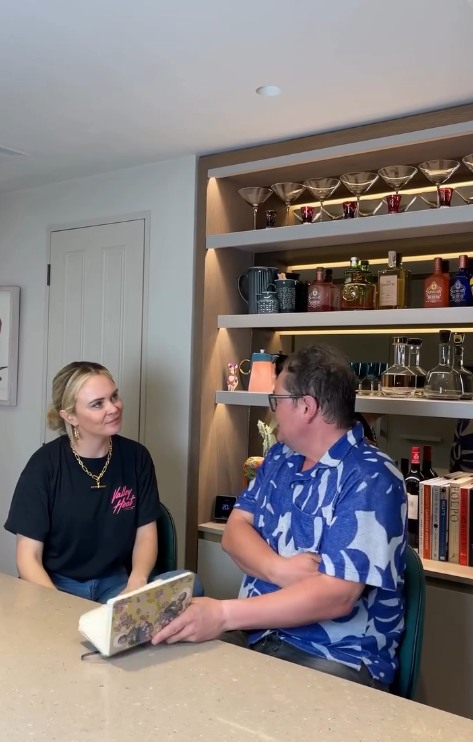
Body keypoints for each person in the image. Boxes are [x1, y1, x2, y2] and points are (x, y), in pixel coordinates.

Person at [151, 344, 407, 691]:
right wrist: (281, 569)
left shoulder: (371, 477)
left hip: (334, 657)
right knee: (169, 687)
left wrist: (224, 614)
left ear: (306, 407)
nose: (271, 410)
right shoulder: (280, 457)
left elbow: (336, 595)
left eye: (276, 400)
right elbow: (235, 532)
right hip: (257, 636)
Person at [4, 361, 202, 603]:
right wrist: (56, 607)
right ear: (71, 416)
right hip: (58, 586)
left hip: (117, 584)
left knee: (193, 584)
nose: (113, 408)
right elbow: (28, 559)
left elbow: (146, 535)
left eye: (114, 397)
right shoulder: (43, 466)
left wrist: (136, 584)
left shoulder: (137, 457)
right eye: (98, 404)